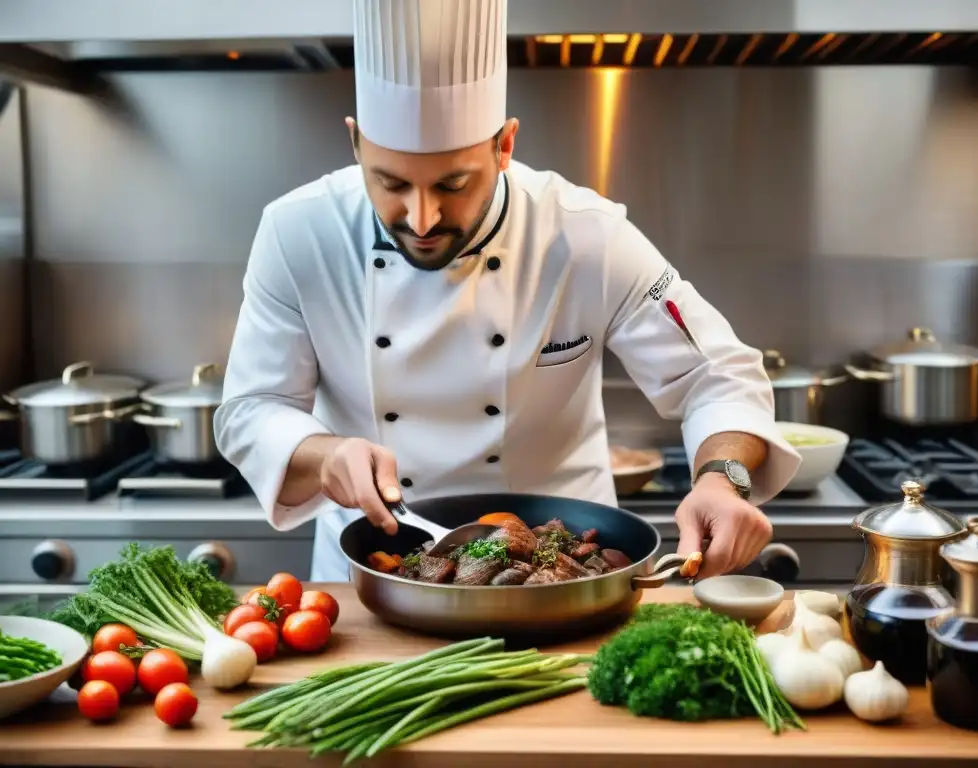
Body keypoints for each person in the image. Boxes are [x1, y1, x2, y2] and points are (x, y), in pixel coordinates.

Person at [213, 0, 802, 583]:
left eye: (453, 183)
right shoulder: (298, 233)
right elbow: (251, 409)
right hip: (374, 577)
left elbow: (716, 374)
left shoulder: (585, 234)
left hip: (565, 574)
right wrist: (326, 456)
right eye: (390, 183)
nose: (421, 218)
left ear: (505, 146)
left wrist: (723, 481)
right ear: (356, 143)